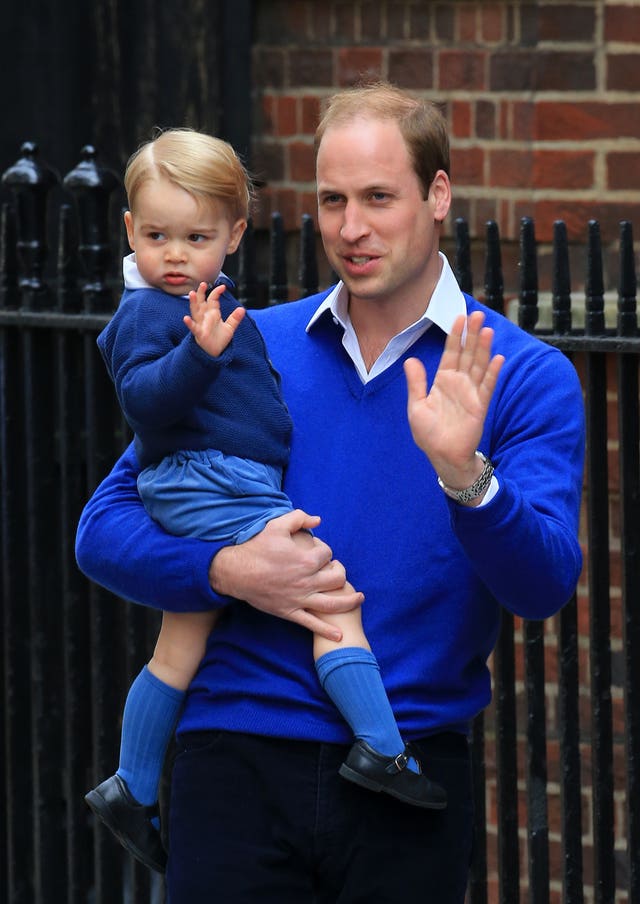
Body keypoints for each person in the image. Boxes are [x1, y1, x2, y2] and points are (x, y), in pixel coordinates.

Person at [76, 83, 585, 902]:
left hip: (406, 771)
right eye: (332, 200)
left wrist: (466, 477)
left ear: (439, 194)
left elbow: (543, 585)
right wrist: (227, 572)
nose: (352, 228)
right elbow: (102, 532)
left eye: (379, 198)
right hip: (231, 761)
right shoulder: (245, 340)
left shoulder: (521, 375)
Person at [83, 126, 446, 876]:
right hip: (215, 481)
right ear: (130, 232)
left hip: (218, 475)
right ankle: (383, 749)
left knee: (179, 644)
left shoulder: (216, 306)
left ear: (235, 235)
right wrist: (199, 355)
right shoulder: (154, 314)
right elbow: (146, 409)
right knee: (328, 593)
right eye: (156, 236)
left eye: (195, 237)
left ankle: (132, 785)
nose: (175, 255)